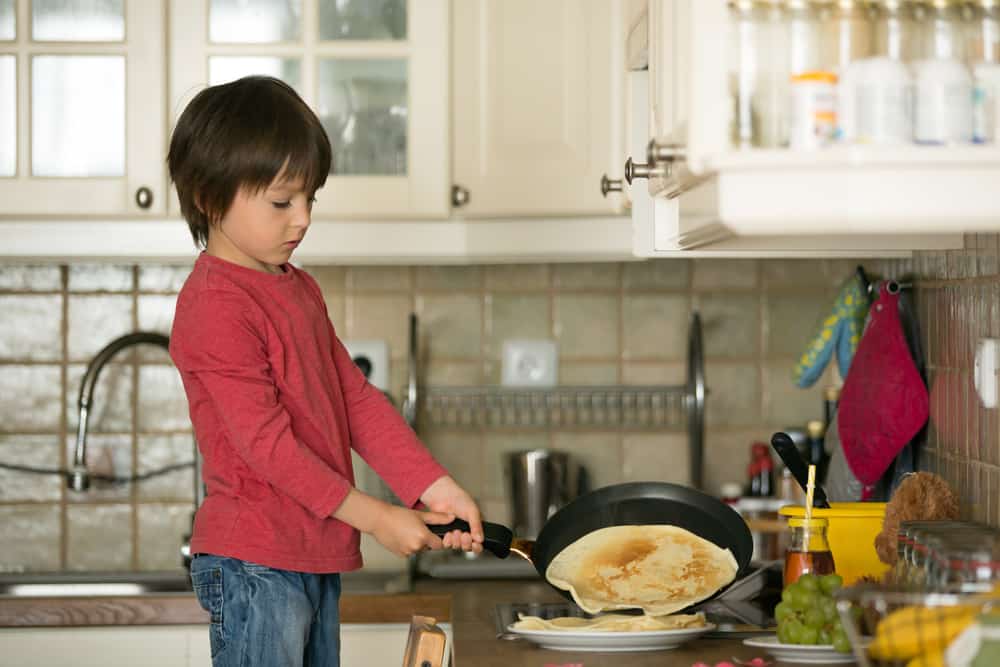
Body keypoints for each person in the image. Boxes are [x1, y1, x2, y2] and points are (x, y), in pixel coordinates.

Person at [166, 75, 484, 667]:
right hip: (253, 562)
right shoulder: (214, 304)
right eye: (283, 202)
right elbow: (269, 448)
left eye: (311, 198)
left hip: (314, 554)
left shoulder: (297, 288)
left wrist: (433, 487)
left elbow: (354, 400)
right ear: (210, 197)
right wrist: (379, 517)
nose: (304, 219)